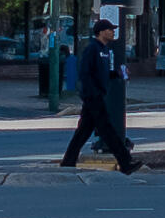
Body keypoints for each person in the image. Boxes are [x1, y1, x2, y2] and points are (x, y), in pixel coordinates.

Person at [60, 15, 141, 173]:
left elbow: (100, 73)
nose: (112, 32)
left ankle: (68, 162)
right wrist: (92, 94)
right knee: (108, 131)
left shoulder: (104, 49)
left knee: (82, 133)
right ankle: (126, 163)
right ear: (101, 32)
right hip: (93, 98)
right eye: (110, 30)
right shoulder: (92, 48)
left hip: (96, 96)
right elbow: (85, 73)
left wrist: (116, 74)